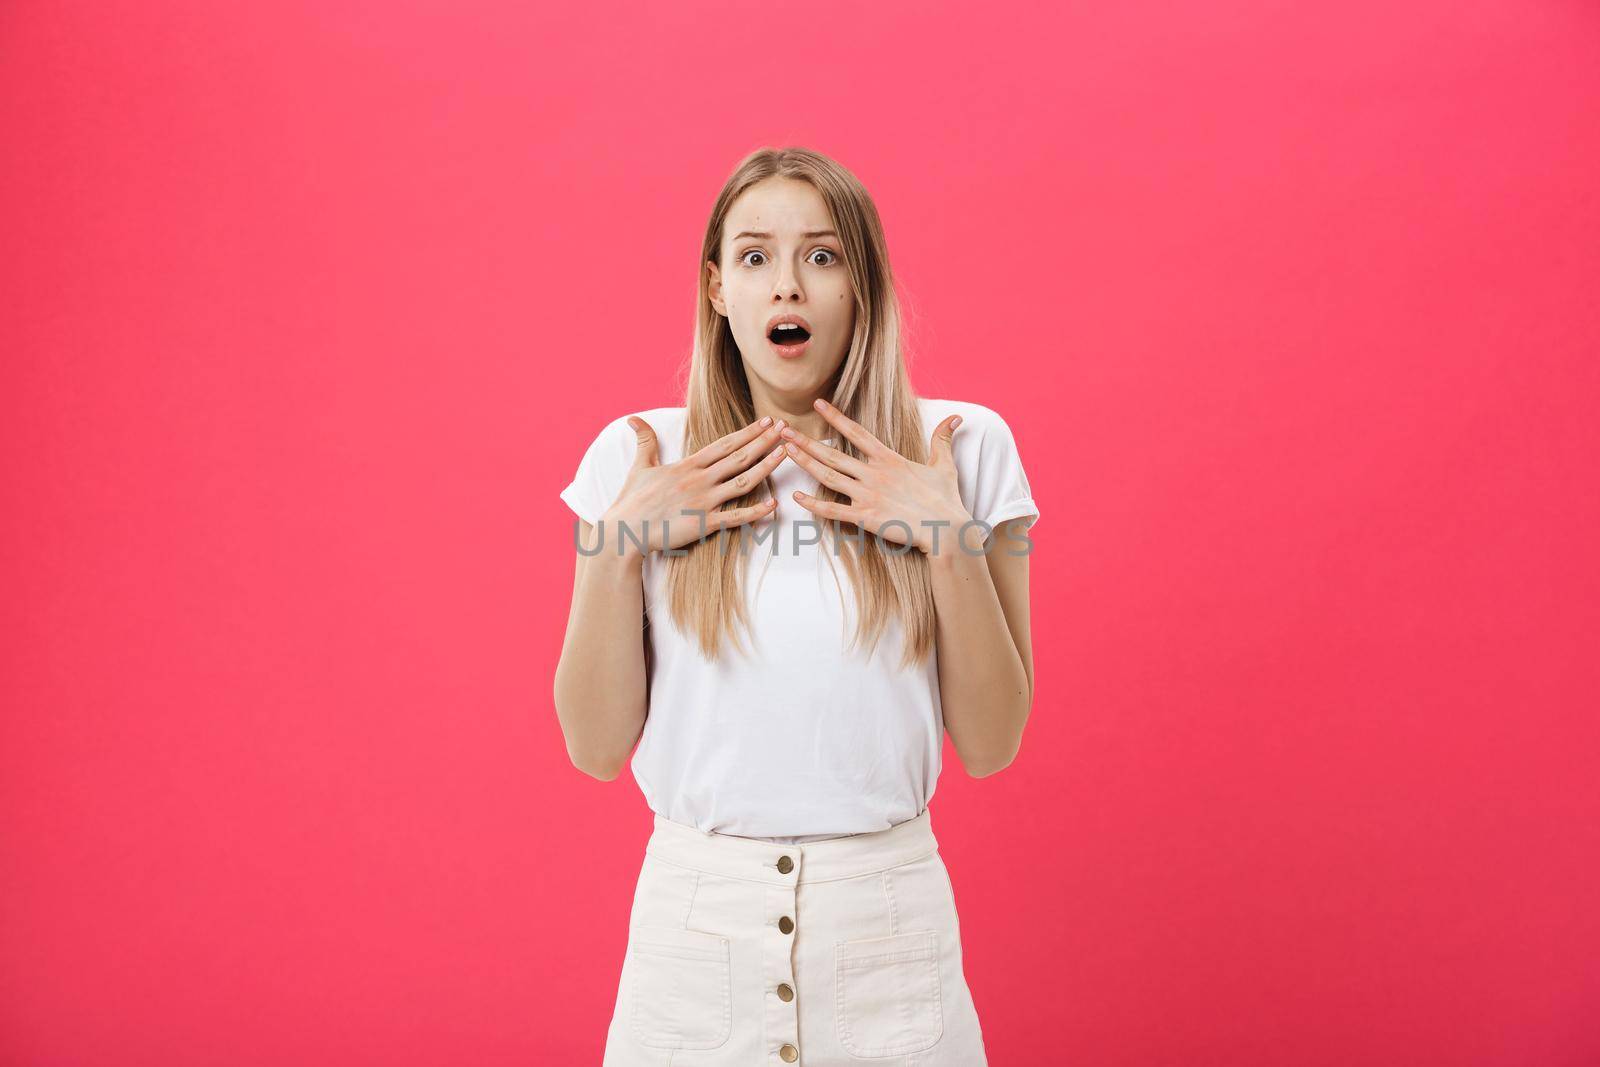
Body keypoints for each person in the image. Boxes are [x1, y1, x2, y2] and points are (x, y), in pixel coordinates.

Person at [554, 146, 1039, 1066]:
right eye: (754, 257)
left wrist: (949, 539)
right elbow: (593, 747)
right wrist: (617, 549)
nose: (788, 286)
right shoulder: (637, 458)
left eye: (821, 256)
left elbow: (993, 741)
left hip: (892, 948)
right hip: (691, 954)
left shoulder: (964, 449)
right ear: (715, 289)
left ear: (862, 283)